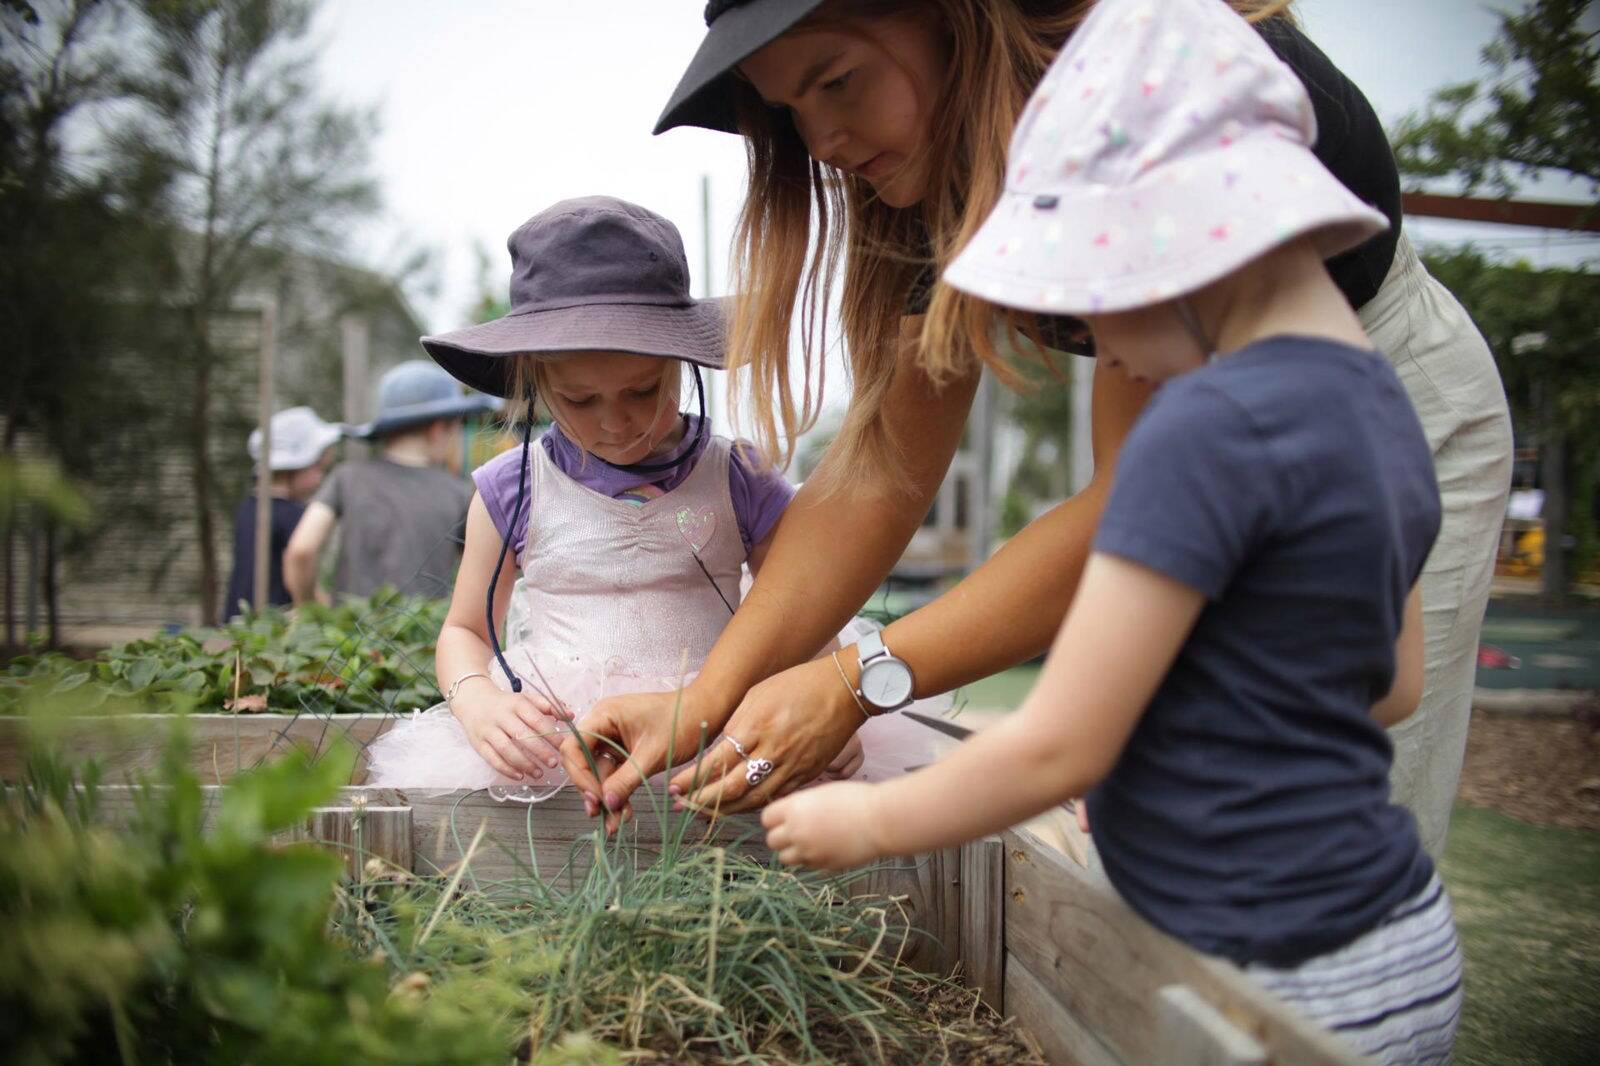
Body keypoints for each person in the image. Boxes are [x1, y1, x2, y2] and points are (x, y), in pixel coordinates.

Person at [567, 0, 1511, 858]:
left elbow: (1126, 519)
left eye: (837, 79)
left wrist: (862, 688)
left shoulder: (1178, 105)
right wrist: (706, 700)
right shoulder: (937, 172)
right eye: (788, 112)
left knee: (1315, 841)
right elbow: (886, 470)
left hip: (1386, 372)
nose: (820, 142)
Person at [763, 2, 1460, 1058]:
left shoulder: (1200, 427)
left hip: (1256, 979)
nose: (1094, 334)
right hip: (1400, 944)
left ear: (1171, 239)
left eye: (1092, 284)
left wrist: (863, 826)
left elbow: (1060, 742)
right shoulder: (1380, 406)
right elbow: (1389, 679)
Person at [364, 197, 939, 803]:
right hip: (560, 737)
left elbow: (801, 606)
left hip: (715, 727)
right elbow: (465, 630)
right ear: (534, 381)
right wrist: (476, 700)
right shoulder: (512, 489)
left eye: (643, 390)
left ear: (681, 361)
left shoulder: (737, 474)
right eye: (581, 401)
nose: (617, 422)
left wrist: (820, 691)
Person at [283, 360, 496, 604]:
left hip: (348, 635)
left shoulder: (347, 477)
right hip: (422, 638)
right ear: (437, 429)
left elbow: (301, 549)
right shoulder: (459, 492)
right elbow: (483, 570)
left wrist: (310, 607)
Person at [222, 406, 341, 617]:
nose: (320, 479)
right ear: (292, 469)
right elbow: (298, 568)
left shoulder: (249, 507)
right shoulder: (293, 515)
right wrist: (326, 612)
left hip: (238, 618)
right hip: (275, 623)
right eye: (317, 468)